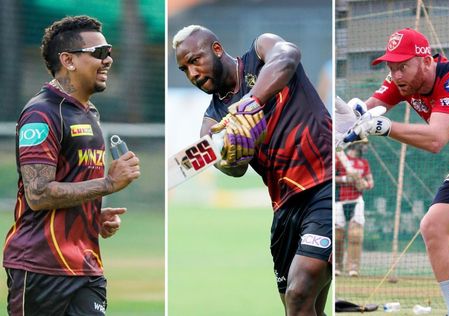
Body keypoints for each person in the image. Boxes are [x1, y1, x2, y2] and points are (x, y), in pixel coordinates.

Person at [339, 27, 449, 316]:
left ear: (426, 60)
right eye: (391, 66)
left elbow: (437, 138)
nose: (396, 74)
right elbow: (369, 109)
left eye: (403, 66)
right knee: (433, 226)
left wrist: (381, 127)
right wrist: (349, 115)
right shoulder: (402, 83)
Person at [173, 25, 332, 316]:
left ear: (217, 49)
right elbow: (225, 168)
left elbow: (288, 55)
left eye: (195, 61)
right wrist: (229, 157)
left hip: (326, 183)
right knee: (298, 308)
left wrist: (250, 103)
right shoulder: (212, 121)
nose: (193, 74)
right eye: (184, 69)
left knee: (299, 292)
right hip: (284, 208)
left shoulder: (260, 53)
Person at [3, 16, 141, 316]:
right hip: (40, 267)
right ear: (68, 60)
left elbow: (70, 183)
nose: (108, 60)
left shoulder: (90, 113)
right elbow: (38, 195)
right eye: (100, 53)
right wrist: (107, 184)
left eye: (110, 52)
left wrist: (91, 215)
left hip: (86, 266)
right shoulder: (41, 114)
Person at [335, 142, 374, 277]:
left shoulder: (364, 163)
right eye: (362, 144)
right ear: (353, 144)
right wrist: (346, 179)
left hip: (357, 200)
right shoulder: (338, 158)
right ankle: (337, 266)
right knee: (338, 236)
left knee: (355, 235)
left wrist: (363, 183)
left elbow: (370, 182)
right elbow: (330, 178)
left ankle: (353, 268)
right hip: (339, 201)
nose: (365, 147)